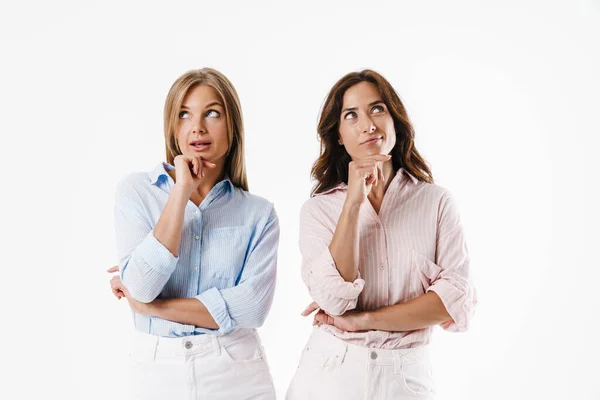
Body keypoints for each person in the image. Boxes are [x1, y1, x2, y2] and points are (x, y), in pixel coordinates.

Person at [286, 69, 477, 399]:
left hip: (406, 378)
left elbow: (453, 303)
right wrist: (352, 204)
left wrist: (365, 320)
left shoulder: (436, 203)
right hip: (330, 373)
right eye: (351, 115)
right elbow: (334, 299)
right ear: (339, 136)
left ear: (395, 121)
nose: (368, 124)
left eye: (377, 109)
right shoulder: (317, 210)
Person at [108, 68, 278, 400]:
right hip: (157, 372)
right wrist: (181, 191)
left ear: (232, 125)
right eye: (184, 114)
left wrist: (152, 308)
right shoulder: (136, 192)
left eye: (212, 113)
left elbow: (253, 308)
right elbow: (142, 286)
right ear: (173, 127)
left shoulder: (259, 213)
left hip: (236, 372)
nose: (197, 127)